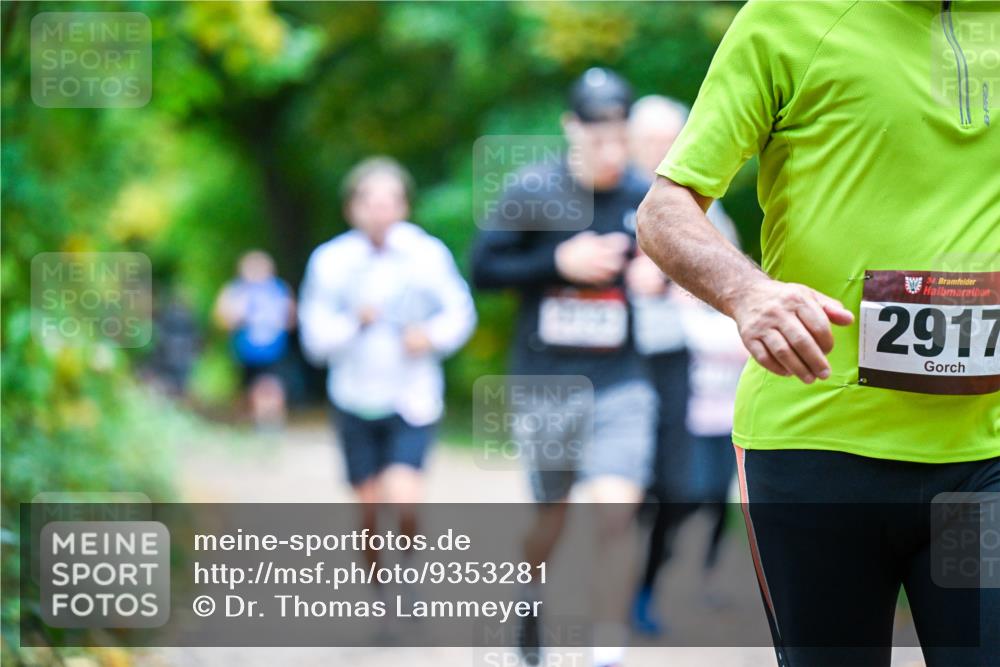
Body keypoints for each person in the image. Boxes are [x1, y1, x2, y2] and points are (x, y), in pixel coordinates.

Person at [636, 2, 998, 666]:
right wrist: (748, 293)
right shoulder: (787, 17)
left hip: (985, 459)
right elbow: (664, 210)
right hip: (815, 450)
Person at [472, 67, 657, 667]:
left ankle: (606, 650)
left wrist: (659, 274)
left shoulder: (646, 196)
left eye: (618, 135)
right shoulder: (532, 190)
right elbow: (483, 269)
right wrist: (558, 262)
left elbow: (682, 263)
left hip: (621, 381)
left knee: (615, 511)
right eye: (596, 134)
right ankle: (528, 599)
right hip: (546, 382)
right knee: (550, 516)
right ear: (570, 127)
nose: (609, 147)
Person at [298, 156, 475, 568]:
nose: (380, 211)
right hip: (353, 396)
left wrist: (429, 336)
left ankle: (409, 569)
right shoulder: (330, 261)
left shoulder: (426, 255)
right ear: (352, 208)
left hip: (411, 398)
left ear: (403, 206)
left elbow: (460, 313)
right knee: (369, 509)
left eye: (389, 201)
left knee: (403, 495)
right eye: (370, 202)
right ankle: (381, 584)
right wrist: (354, 323)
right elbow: (314, 339)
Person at [626, 95, 743, 635]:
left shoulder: (710, 213)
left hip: (693, 373)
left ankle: (649, 589)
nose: (659, 148)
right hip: (627, 368)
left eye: (668, 138)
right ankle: (620, 586)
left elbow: (733, 288)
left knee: (685, 491)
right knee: (630, 491)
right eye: (649, 138)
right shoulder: (614, 199)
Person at [214, 250, 296, 429]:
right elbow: (221, 319)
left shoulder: (279, 289)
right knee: (248, 387)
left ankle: (269, 421)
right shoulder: (235, 290)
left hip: (274, 349)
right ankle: (252, 419)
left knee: (271, 384)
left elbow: (291, 320)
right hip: (245, 351)